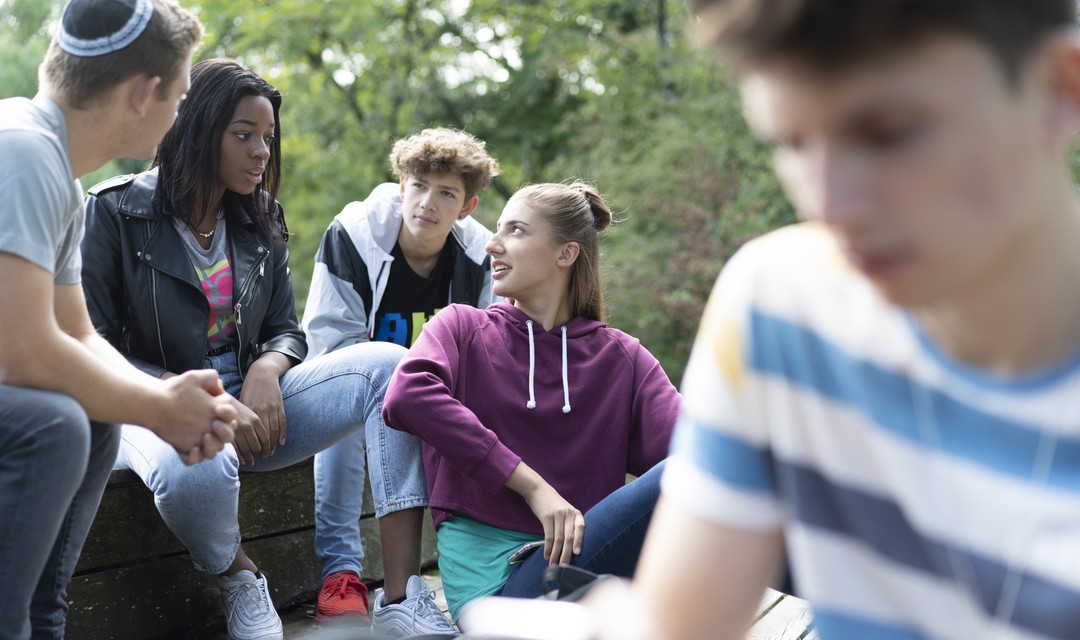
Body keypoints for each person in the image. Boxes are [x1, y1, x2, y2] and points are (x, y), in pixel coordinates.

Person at [593, 1, 1080, 639]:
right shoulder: (783, 308)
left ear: (1059, 90)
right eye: (791, 142)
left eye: (889, 133)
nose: (831, 203)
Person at [80, 58, 406, 640]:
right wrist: (199, 399)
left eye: (267, 138)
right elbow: (93, 346)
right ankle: (238, 575)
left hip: (255, 406)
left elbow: (286, 325)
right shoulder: (114, 211)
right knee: (198, 461)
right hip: (142, 402)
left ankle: (401, 593)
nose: (261, 152)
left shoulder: (262, 218)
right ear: (199, 130)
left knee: (393, 368)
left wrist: (268, 365)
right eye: (243, 135)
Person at [0, 1, 236, 638]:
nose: (180, 115)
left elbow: (76, 333)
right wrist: (161, 413)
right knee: (53, 424)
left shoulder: (57, 171)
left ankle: (40, 622)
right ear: (142, 93)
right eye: (181, 97)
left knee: (96, 413)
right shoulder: (20, 152)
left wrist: (162, 396)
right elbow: (23, 352)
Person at [381, 182, 679, 622]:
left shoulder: (621, 357)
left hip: (589, 576)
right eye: (498, 229)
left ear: (566, 254)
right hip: (501, 595)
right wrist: (535, 489)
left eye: (516, 230)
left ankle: (820, 600)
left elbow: (698, 450)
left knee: (715, 468)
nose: (492, 244)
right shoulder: (463, 329)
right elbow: (408, 393)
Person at [301, 127, 500, 635]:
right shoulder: (352, 235)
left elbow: (488, 354)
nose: (428, 202)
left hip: (431, 400)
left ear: (468, 206)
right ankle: (341, 576)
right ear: (401, 184)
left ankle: (448, 579)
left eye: (447, 193)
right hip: (356, 393)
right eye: (418, 185)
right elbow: (330, 349)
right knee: (357, 409)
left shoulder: (479, 257)